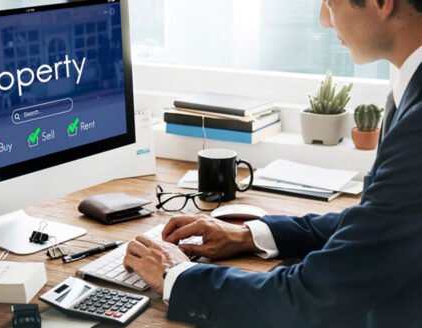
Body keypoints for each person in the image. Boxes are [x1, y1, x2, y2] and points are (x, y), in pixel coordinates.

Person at [122, 0, 422, 327]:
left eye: (330, 2)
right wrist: (250, 235)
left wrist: (176, 274)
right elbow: (377, 225)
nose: (324, 20)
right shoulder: (409, 85)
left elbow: (311, 298)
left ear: (382, 3)